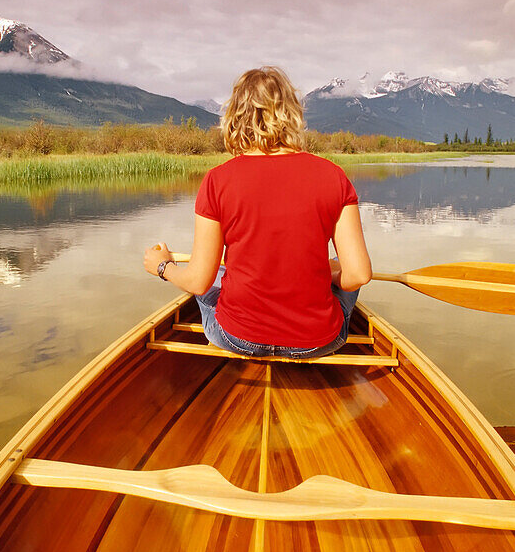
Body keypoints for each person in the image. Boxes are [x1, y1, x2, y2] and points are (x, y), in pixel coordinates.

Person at [143, 66, 372, 359]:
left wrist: (163, 267)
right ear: (291, 113)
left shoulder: (217, 180)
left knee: (214, 273)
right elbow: (360, 274)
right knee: (342, 261)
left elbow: (198, 281)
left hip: (238, 337)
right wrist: (330, 276)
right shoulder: (334, 176)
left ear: (235, 117)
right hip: (318, 341)